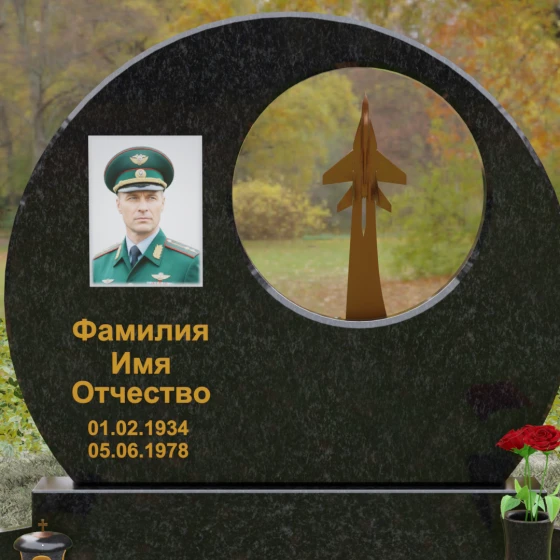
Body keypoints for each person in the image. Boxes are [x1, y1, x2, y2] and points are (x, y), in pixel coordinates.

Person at [92, 147, 200, 285]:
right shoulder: (98, 267)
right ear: (118, 205)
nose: (143, 208)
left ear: (162, 203)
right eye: (133, 198)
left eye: (151, 198)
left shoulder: (188, 264)